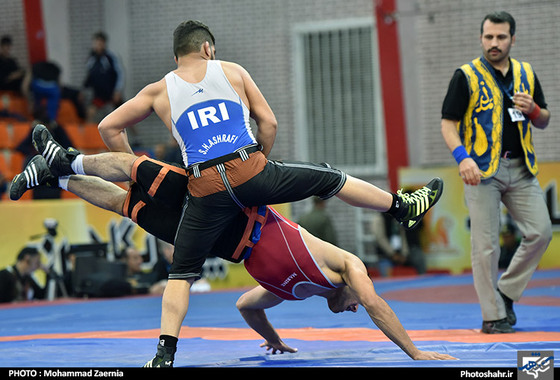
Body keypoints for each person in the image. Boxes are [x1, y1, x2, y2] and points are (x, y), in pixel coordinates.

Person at [23, 19, 443, 365]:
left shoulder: (159, 89)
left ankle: (163, 353)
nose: (352, 307)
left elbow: (107, 127)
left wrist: (274, 338)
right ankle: (401, 206)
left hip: (203, 190)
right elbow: (270, 124)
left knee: (169, 254)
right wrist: (260, 168)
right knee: (329, 177)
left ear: (177, 56)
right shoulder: (232, 70)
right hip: (247, 176)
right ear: (208, 49)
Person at [10, 153, 455, 365]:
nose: (356, 307)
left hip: (213, 238)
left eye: (353, 307)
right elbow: (375, 305)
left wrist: (275, 339)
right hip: (228, 203)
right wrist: (415, 352)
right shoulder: (347, 266)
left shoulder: (288, 295)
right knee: (138, 171)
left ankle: (58, 176)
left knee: (129, 206)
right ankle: (66, 157)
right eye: (356, 303)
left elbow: (245, 306)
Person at [440, 11, 552, 334]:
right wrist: (462, 158)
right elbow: (448, 125)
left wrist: (533, 110)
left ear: (512, 39)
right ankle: (493, 316)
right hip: (481, 171)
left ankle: (506, 292)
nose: (494, 43)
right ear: (481, 38)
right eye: (488, 37)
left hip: (521, 167)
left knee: (541, 232)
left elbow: (544, 119)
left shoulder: (526, 73)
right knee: (485, 246)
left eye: (501, 37)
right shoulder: (466, 75)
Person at [83, 31, 124, 122]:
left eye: (100, 43)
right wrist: (84, 90)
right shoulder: (91, 59)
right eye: (96, 43)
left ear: (104, 44)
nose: (98, 46)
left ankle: (137, 135)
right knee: (90, 112)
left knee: (126, 114)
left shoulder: (111, 57)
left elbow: (120, 73)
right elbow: (89, 77)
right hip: (99, 94)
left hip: (111, 92)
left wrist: (117, 90)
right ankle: (89, 135)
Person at [371, 212, 426, 276]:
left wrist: (404, 254)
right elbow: (380, 239)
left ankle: (422, 279)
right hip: (386, 255)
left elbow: (403, 236)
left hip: (402, 253)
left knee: (418, 258)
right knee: (386, 270)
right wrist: (392, 254)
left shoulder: (399, 216)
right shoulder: (379, 218)